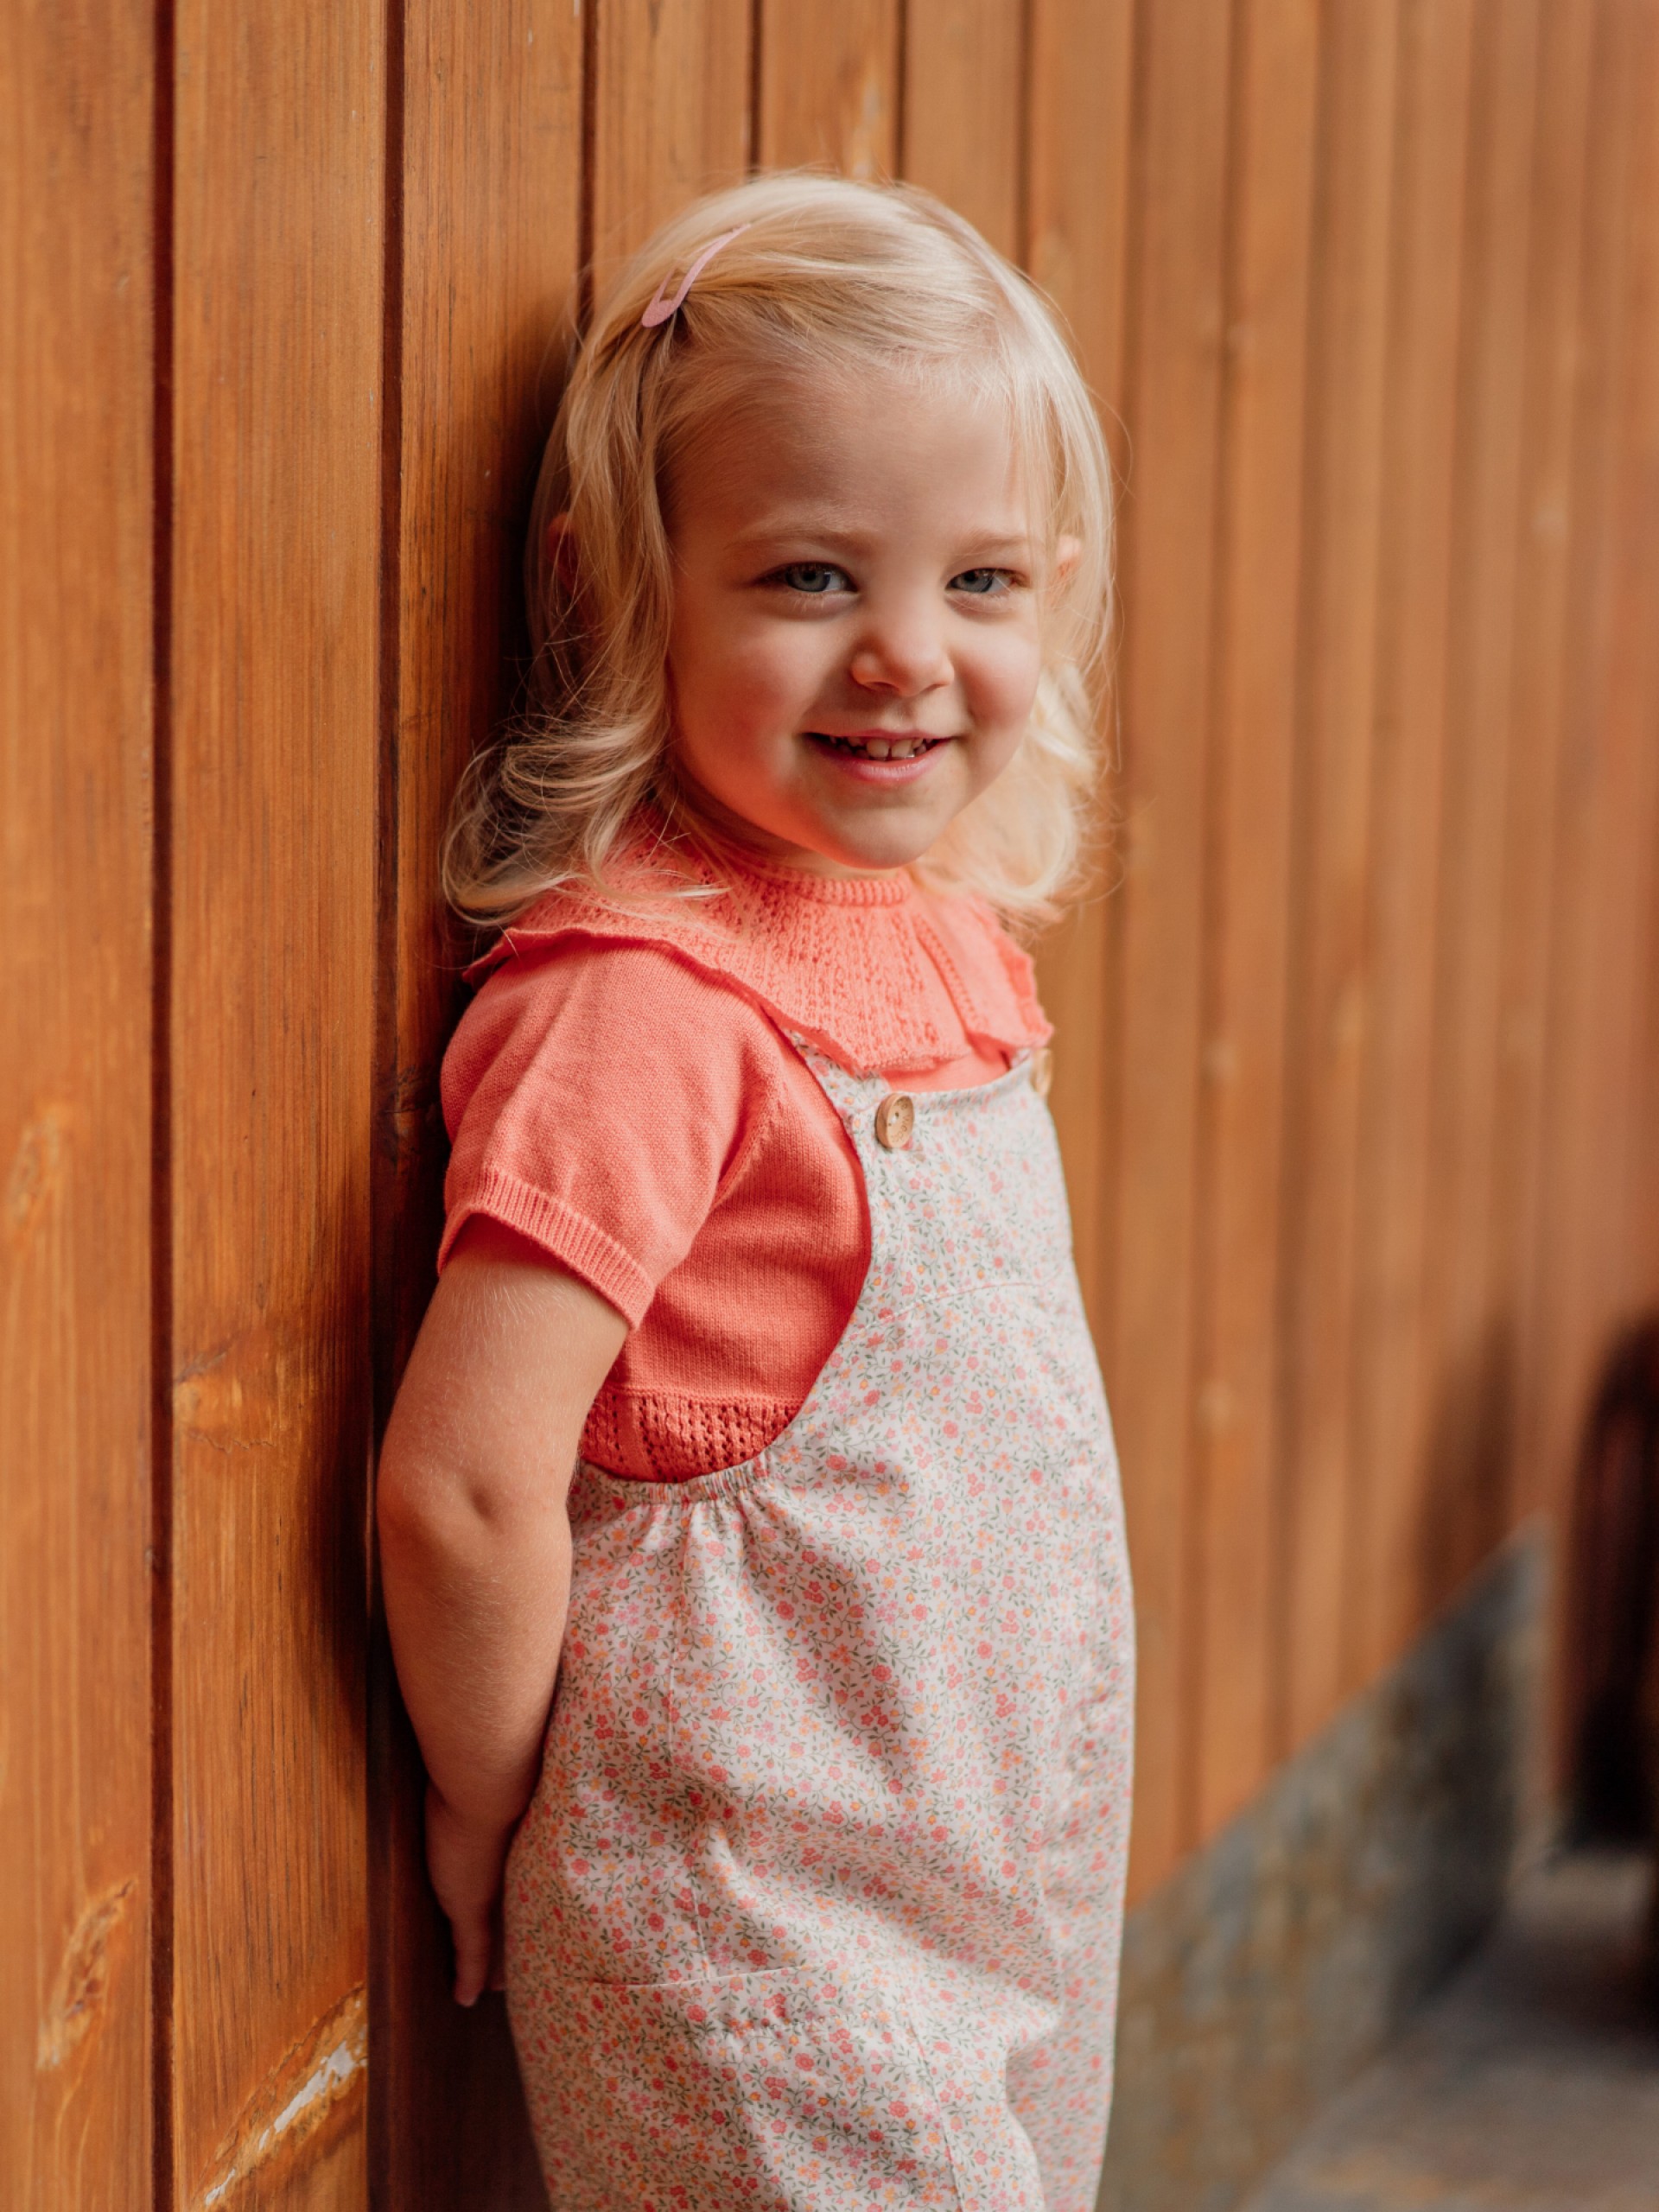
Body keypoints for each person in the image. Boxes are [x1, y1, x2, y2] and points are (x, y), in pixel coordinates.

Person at [377, 171, 1134, 2212]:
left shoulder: (945, 943)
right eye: (810, 576)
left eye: (980, 581)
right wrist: (486, 1799)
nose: (905, 652)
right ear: (622, 586)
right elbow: (462, 1486)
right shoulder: (642, 1003)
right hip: (750, 1936)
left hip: (983, 1891)